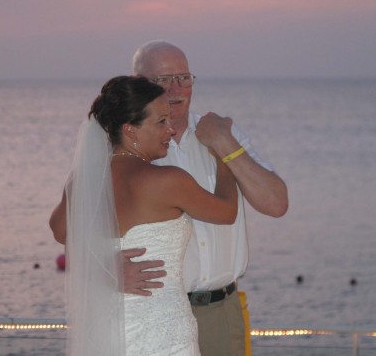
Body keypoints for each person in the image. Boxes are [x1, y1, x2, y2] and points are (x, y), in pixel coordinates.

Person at [50, 75, 239, 355]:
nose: (171, 130)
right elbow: (227, 211)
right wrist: (225, 154)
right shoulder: (168, 180)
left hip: (108, 332)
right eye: (161, 121)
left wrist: (104, 268)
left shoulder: (85, 180)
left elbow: (60, 231)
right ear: (131, 130)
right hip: (164, 331)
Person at [123, 40, 289, 356]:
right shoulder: (126, 145)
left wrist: (226, 145)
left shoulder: (224, 134)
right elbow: (77, 223)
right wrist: (106, 267)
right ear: (139, 85)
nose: (176, 89)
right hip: (156, 315)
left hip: (222, 314)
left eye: (184, 78)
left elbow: (276, 204)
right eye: (163, 80)